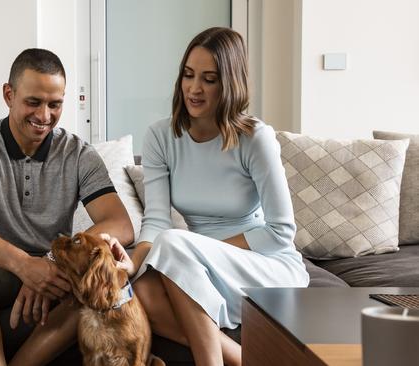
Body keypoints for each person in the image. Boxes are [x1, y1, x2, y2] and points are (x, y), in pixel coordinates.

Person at [110, 27, 309, 366]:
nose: (194, 88)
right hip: (192, 264)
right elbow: (156, 221)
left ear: (230, 83)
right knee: (140, 290)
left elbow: (280, 232)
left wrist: (205, 252)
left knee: (174, 244)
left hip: (263, 265)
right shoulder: (161, 136)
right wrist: (133, 264)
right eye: (188, 75)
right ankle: (244, 359)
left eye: (209, 79)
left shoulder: (255, 138)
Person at [0, 48, 134, 366]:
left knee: (98, 273)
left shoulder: (79, 154)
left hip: (55, 275)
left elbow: (120, 224)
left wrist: (52, 264)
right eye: (33, 102)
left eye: (55, 104)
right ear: (9, 94)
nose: (44, 115)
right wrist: (23, 265)